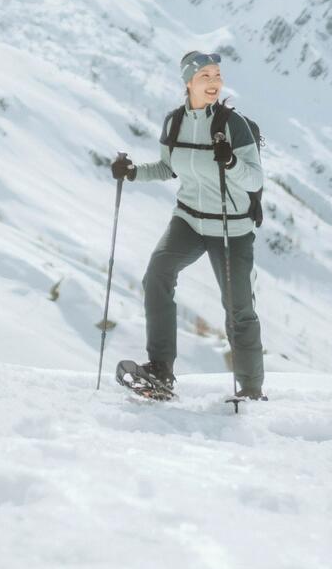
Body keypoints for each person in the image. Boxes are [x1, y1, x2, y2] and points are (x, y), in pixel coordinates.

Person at [109, 49, 266, 400]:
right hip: (189, 220)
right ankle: (160, 370)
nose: (214, 82)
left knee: (238, 308)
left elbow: (254, 181)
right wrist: (133, 172)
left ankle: (252, 389)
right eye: (204, 76)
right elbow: (169, 168)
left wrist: (230, 163)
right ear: (188, 83)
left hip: (231, 226)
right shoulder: (175, 122)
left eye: (217, 75)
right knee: (157, 275)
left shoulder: (232, 125)